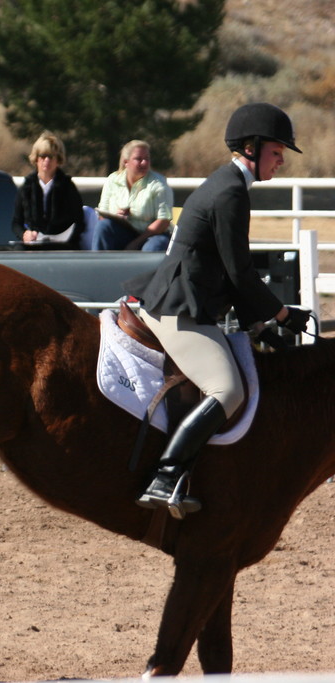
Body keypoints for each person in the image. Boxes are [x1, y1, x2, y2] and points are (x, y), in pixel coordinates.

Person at [123, 102, 311, 519]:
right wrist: (282, 315)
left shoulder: (229, 185)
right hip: (179, 308)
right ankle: (165, 478)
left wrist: (257, 322)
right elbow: (241, 273)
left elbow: (229, 275)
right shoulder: (229, 192)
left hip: (191, 300)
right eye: (277, 152)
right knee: (228, 390)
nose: (281, 161)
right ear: (251, 147)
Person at [91, 140, 174, 251]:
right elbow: (102, 215)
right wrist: (117, 217)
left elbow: (164, 221)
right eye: (139, 159)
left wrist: (136, 243)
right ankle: (99, 267)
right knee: (103, 227)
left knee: (154, 246)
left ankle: (149, 269)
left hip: (153, 236)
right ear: (126, 162)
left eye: (147, 159)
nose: (144, 163)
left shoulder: (159, 184)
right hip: (124, 233)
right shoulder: (112, 180)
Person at [11, 132, 85, 248]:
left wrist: (67, 238)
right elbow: (16, 223)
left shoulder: (67, 186)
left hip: (62, 246)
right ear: (36, 159)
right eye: (42, 156)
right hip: (34, 244)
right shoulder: (26, 187)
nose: (46, 161)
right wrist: (24, 234)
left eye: (51, 156)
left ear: (58, 159)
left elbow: (79, 222)